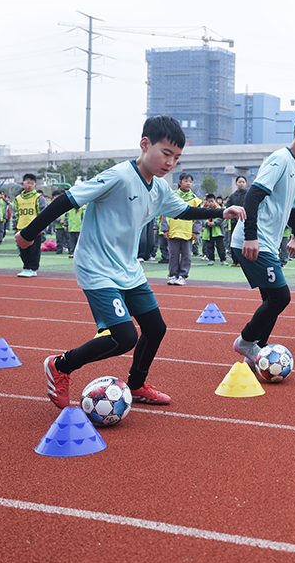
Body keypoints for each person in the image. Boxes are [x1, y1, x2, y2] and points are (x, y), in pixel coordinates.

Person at [16, 115, 245, 408]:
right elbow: (68, 200)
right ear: (145, 144)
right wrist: (28, 234)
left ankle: (136, 386)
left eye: (176, 157)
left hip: (128, 269)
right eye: (165, 153)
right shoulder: (119, 176)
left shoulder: (159, 187)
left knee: (155, 328)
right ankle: (60, 365)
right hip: (97, 267)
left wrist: (220, 212)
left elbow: (184, 211)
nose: (170, 162)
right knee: (124, 337)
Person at [229, 112, 295, 366]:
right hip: (253, 241)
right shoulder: (280, 160)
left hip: (268, 244)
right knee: (280, 297)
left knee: (271, 299)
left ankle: (257, 352)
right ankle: (245, 342)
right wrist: (251, 236)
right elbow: (252, 196)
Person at [161, 173, 202, 285]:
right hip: (173, 230)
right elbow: (165, 213)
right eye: (186, 181)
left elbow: (198, 217)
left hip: (187, 231)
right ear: (179, 182)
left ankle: (182, 276)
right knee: (173, 254)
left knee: (186, 255)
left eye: (190, 181)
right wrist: (165, 229)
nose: (188, 183)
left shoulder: (195, 200)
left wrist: (196, 231)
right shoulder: (172, 197)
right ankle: (174, 275)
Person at [14, 174, 49, 278]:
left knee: (34, 249)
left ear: (35, 185)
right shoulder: (18, 199)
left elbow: (43, 213)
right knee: (23, 250)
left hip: (34, 229)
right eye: (27, 183)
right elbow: (16, 214)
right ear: (22, 184)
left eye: (32, 183)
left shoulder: (39, 198)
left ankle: (32, 268)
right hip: (21, 227)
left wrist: (41, 228)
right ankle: (26, 267)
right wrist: (15, 227)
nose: (29, 185)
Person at [201, 193, 227, 265]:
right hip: (208, 230)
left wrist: (215, 223)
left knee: (220, 246)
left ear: (215, 201)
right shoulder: (204, 210)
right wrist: (206, 224)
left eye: (212, 201)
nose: (211, 203)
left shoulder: (219, 209)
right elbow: (200, 219)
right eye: (209, 201)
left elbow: (223, 218)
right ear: (206, 202)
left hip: (218, 231)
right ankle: (211, 259)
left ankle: (223, 260)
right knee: (209, 246)